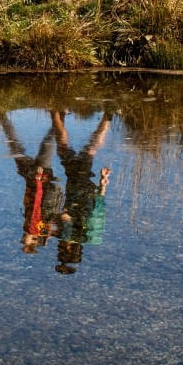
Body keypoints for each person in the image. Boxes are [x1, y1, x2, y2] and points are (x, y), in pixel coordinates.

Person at [51, 110, 112, 274]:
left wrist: (102, 184)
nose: (58, 250)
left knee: (90, 151)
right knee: (65, 149)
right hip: (76, 185)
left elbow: (99, 209)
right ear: (68, 250)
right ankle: (55, 112)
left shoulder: (88, 236)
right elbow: (66, 215)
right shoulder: (66, 234)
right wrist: (53, 225)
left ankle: (107, 118)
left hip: (88, 188)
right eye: (60, 252)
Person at [0, 114, 63, 253]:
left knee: (47, 143)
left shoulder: (40, 229)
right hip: (36, 178)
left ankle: (59, 117)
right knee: (17, 148)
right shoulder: (33, 228)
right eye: (26, 241)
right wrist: (38, 180)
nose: (23, 238)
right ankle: (2, 117)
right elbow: (36, 204)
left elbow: (49, 220)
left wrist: (46, 237)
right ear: (33, 239)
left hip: (42, 178)